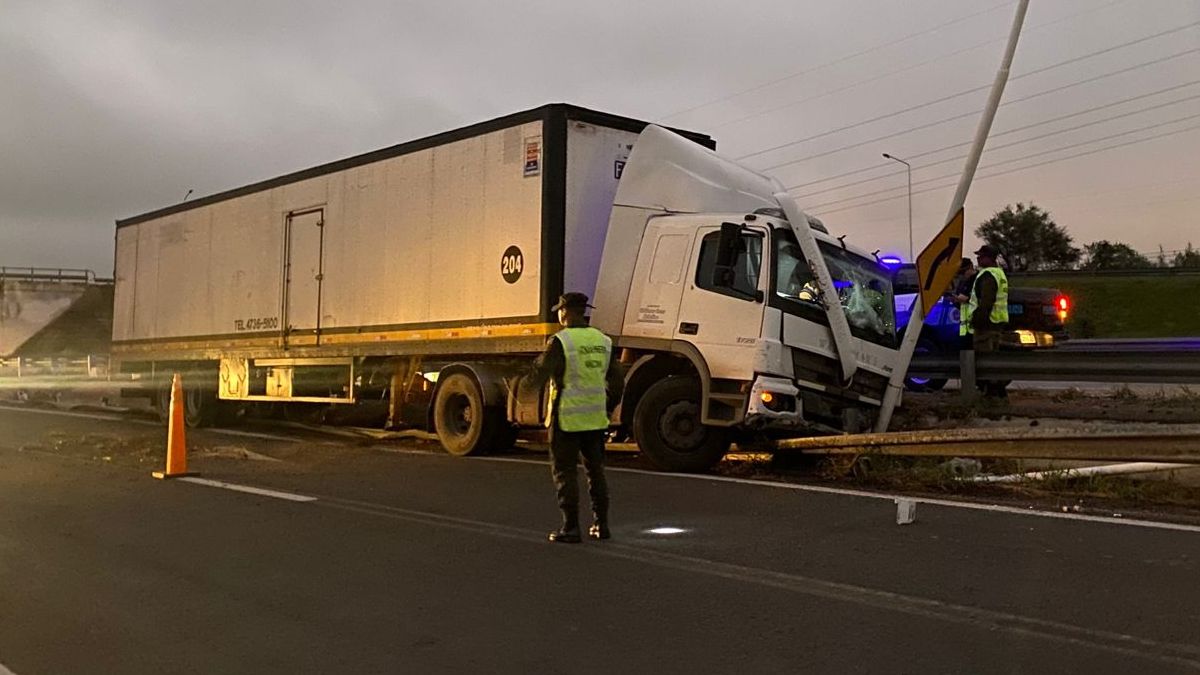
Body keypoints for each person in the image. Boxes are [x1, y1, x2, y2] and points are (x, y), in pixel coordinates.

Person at [526, 292, 624, 543]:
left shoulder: (561, 341)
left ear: (566, 312)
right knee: (596, 471)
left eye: (560, 310)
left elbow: (542, 371)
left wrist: (526, 383)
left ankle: (570, 527)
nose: (558, 313)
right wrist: (606, 406)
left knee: (565, 473)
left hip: (566, 419)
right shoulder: (603, 341)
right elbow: (616, 380)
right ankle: (601, 526)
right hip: (595, 418)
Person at [961, 245, 1010, 398]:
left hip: (986, 326)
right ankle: (997, 394)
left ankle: (992, 395)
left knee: (984, 362)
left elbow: (986, 301)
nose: (978, 258)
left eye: (981, 256)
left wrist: (977, 321)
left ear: (989, 258)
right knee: (993, 362)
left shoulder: (988, 275)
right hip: (996, 323)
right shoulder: (999, 273)